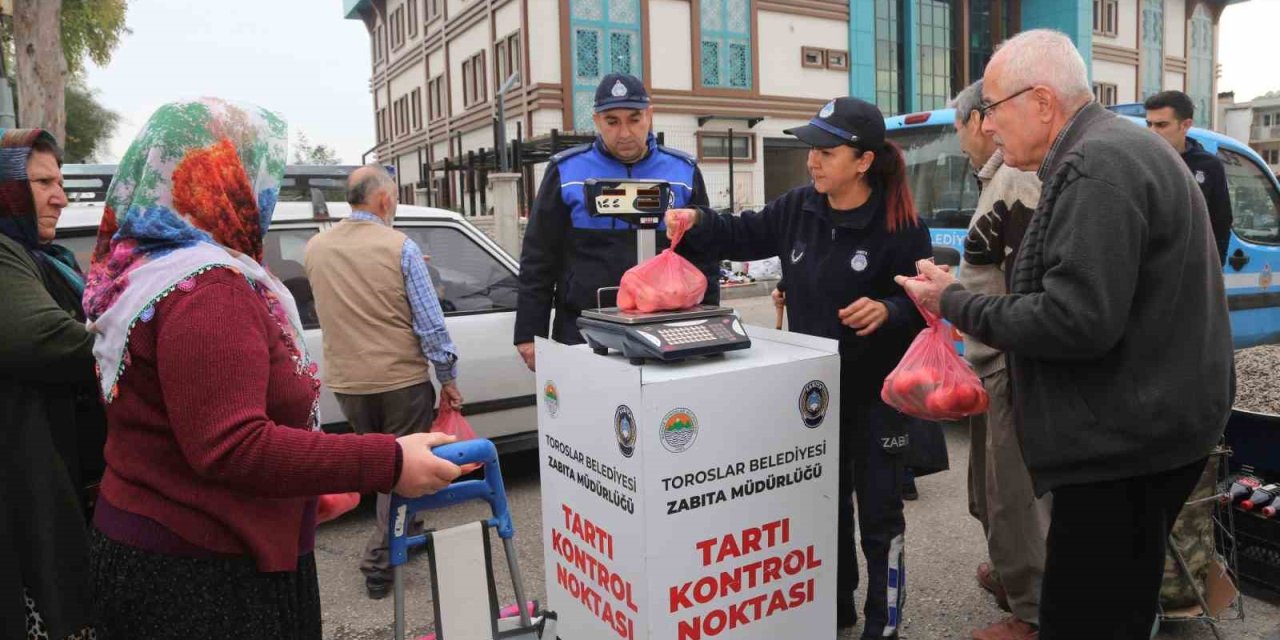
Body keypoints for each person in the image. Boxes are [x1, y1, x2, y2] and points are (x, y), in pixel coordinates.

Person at [83, 98, 463, 639]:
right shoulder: (207, 287)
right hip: (201, 576)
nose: (266, 192)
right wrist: (387, 460)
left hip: (173, 543)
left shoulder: (149, 268)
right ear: (224, 179)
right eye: (261, 171)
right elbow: (231, 444)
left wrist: (305, 484)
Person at [899, 31, 1232, 639]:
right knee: (1120, 610)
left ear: (1044, 102)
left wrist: (954, 302)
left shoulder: (1094, 166)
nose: (989, 126)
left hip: (1124, 449)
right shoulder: (1108, 151)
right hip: (1148, 431)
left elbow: (1074, 320)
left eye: (994, 109)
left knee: (1086, 619)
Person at [667, 96, 933, 639]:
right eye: (811, 147)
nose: (812, 160)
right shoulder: (797, 208)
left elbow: (925, 303)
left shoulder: (900, 225)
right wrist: (696, 219)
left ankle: (885, 625)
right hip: (813, 398)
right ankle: (834, 609)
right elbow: (742, 233)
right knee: (822, 507)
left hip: (876, 397)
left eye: (826, 151)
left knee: (880, 516)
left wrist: (889, 308)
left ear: (862, 161)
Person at [304, 164, 462, 599]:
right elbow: (431, 325)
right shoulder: (400, 247)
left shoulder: (316, 247)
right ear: (385, 200)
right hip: (399, 381)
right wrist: (447, 376)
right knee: (399, 471)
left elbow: (347, 298)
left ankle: (403, 536)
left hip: (348, 384)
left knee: (380, 463)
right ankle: (379, 562)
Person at [513, 72, 718, 370]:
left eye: (634, 119)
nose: (624, 132)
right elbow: (538, 258)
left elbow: (704, 254)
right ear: (596, 121)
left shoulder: (682, 173)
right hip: (582, 331)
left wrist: (710, 322)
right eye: (612, 121)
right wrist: (529, 333)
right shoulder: (566, 173)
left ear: (649, 116)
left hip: (666, 331)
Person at [950, 79, 1049, 640]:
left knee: (1015, 493)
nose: (973, 135)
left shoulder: (1018, 178)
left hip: (1012, 356)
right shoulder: (996, 178)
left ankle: (1034, 611)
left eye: (965, 124)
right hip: (992, 355)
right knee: (990, 487)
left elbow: (1020, 277)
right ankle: (1015, 577)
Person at [0, 129, 103, 640]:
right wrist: (136, 339)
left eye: (60, 182)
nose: (60, 197)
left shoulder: (45, 257)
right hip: (22, 487)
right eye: (42, 182)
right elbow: (46, 339)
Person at [1144, 90, 1232, 264]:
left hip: (1190, 270)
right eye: (1149, 124)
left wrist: (1214, 270)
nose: (1152, 132)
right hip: (1145, 270)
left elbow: (1221, 222)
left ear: (1185, 125)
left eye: (1161, 125)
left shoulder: (1208, 166)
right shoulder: (1138, 159)